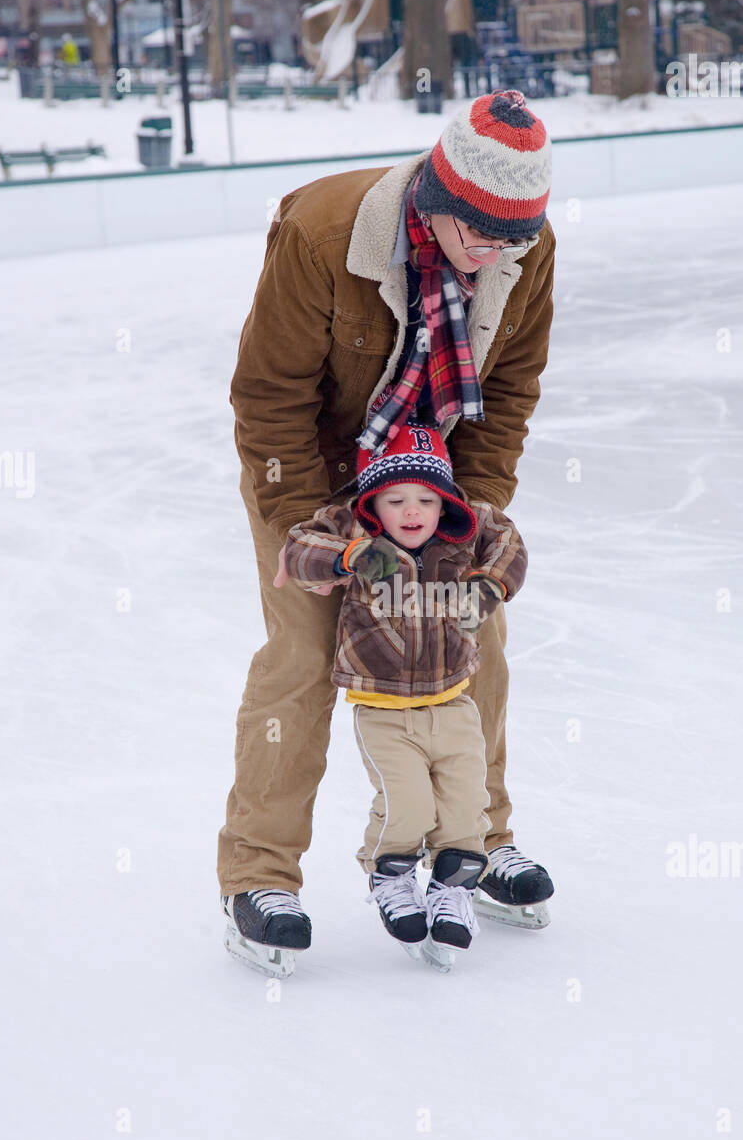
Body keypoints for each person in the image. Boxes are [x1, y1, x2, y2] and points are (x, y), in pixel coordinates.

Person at [218, 88, 555, 960]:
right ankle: (259, 875)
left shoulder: (525, 248)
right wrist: (309, 531)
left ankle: (474, 842)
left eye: (510, 237)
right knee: (302, 653)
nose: (492, 252)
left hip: (429, 473)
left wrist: (471, 514)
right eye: (476, 232)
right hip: (314, 464)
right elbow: (268, 396)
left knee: (474, 636)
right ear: (437, 201)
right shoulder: (326, 235)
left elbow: (509, 392)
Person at [250, 419, 527, 971]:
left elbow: (508, 542)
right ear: (373, 502)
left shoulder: (461, 533)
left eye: (426, 498)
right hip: (385, 712)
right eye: (395, 498)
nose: (411, 511)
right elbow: (302, 544)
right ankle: (391, 877)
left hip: (453, 704)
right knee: (407, 805)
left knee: (465, 807)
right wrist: (348, 556)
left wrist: (492, 584)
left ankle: (455, 888)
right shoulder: (360, 534)